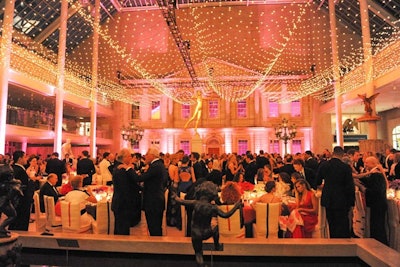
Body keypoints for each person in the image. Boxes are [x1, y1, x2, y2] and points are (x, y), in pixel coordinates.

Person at [173, 181, 241, 267]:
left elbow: (181, 201)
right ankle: (217, 245)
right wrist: (236, 206)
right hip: (206, 232)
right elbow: (226, 215)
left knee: (198, 253)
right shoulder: (212, 207)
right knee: (216, 229)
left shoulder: (195, 203)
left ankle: (201, 265)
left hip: (195, 233)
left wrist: (175, 196)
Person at [316, 146, 355, 238]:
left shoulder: (324, 165)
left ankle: (334, 243)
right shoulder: (345, 167)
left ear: (333, 153)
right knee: (342, 225)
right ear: (342, 155)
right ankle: (343, 245)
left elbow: (317, 181)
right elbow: (350, 186)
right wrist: (351, 202)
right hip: (342, 199)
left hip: (328, 199)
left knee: (332, 224)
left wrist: (326, 186)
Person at [135, 147, 168, 236]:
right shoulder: (159, 165)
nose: (145, 156)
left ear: (152, 156)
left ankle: (156, 247)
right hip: (157, 199)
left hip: (153, 201)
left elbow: (140, 178)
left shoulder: (155, 166)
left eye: (147, 154)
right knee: (155, 226)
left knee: (154, 227)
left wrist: (128, 169)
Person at [357, 156, 388, 245]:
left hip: (378, 204)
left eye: (367, 162)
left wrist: (364, 189)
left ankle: (380, 244)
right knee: (375, 225)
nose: (365, 164)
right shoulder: (374, 174)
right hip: (377, 204)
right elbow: (367, 181)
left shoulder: (376, 174)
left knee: (378, 226)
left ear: (373, 164)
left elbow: (376, 191)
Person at [112, 148, 142, 234]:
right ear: (124, 158)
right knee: (122, 229)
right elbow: (126, 188)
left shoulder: (122, 168)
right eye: (130, 156)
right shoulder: (121, 170)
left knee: (121, 227)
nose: (131, 158)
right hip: (122, 203)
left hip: (121, 203)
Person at [9, 150, 35, 231]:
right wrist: (31, 181)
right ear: (20, 159)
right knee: (21, 221)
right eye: (25, 157)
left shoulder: (13, 168)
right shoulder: (21, 171)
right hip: (22, 200)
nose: (26, 159)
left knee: (15, 219)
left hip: (14, 199)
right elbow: (24, 186)